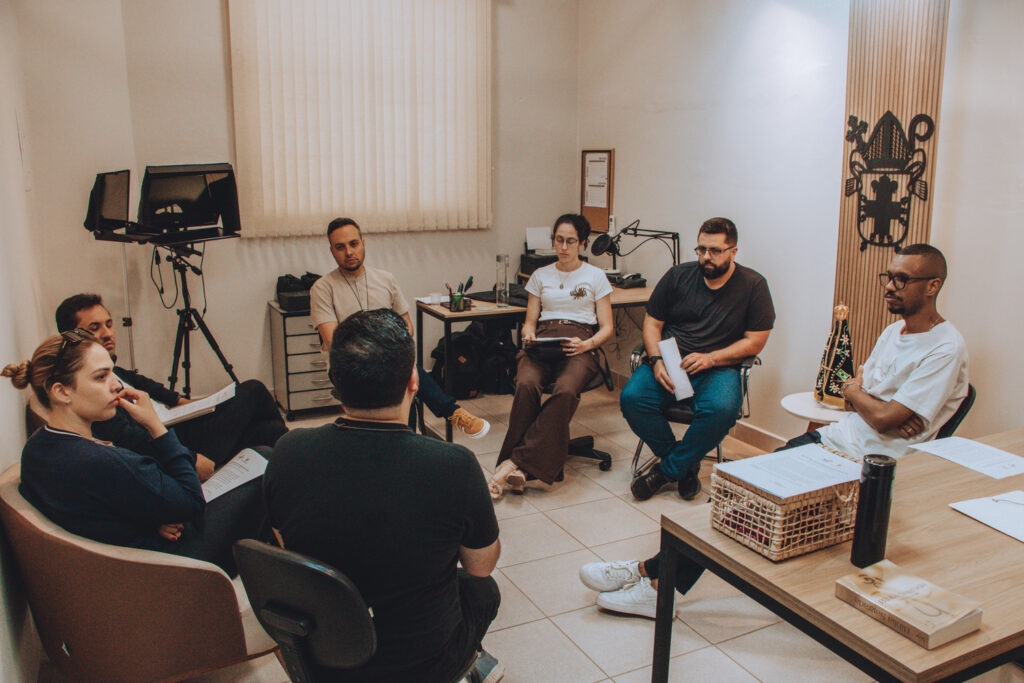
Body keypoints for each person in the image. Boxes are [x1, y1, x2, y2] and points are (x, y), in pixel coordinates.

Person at [582, 243, 968, 619]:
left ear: (932, 286)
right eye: (889, 276)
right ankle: (650, 574)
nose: (890, 286)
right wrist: (860, 395)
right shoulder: (894, 332)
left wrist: (861, 396)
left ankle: (652, 582)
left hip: (869, 464)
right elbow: (858, 395)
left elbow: (878, 414)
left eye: (902, 280)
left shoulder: (945, 348)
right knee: (732, 499)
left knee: (740, 509)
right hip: (835, 439)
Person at [265, 309, 503, 682]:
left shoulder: (288, 450)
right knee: (483, 590)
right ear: (414, 381)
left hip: (323, 656)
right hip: (421, 665)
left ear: (335, 381)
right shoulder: (453, 465)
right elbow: (481, 566)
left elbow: (285, 545)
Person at [4, 330, 267, 576]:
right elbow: (191, 503)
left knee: (268, 433)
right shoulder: (100, 460)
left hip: (125, 556)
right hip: (171, 566)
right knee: (265, 457)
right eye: (101, 377)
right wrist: (156, 427)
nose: (116, 386)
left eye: (112, 374)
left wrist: (149, 521)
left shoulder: (37, 448)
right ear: (62, 391)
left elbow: (92, 514)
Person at [54, 293, 288, 480]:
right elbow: (132, 440)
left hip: (180, 421)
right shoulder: (92, 391)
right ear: (72, 337)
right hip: (173, 441)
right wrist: (189, 457)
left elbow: (152, 387)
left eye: (109, 324)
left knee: (269, 431)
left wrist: (195, 405)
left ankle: (290, 475)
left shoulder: (117, 371)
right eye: (94, 328)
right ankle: (297, 465)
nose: (107, 334)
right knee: (254, 390)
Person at [622, 217, 775, 501]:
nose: (706, 256)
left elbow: (756, 341)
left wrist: (711, 358)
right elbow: (652, 323)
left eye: (715, 250)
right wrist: (656, 360)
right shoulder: (678, 276)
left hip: (718, 367)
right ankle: (684, 466)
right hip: (671, 361)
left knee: (721, 409)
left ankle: (665, 471)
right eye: (701, 249)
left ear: (733, 252)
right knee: (632, 398)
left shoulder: (753, 285)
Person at [309, 217, 490, 439]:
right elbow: (334, 340)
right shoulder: (322, 288)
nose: (348, 252)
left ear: (363, 243)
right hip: (347, 364)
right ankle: (450, 413)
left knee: (403, 376)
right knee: (404, 376)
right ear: (332, 251)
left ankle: (414, 434)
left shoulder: (385, 279)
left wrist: (387, 347)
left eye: (353, 244)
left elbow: (407, 327)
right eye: (340, 247)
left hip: (390, 359)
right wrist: (384, 343)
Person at [488, 213, 613, 498]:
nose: (564, 247)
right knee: (526, 383)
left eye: (571, 241)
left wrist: (587, 345)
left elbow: (607, 328)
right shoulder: (540, 275)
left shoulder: (595, 276)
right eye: (559, 240)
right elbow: (530, 322)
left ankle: (512, 464)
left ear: (582, 243)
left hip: (580, 341)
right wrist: (528, 334)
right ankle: (523, 467)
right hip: (544, 340)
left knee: (566, 390)